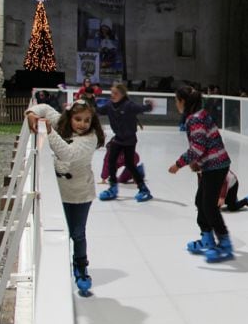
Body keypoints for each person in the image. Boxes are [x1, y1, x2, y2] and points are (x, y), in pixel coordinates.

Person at [25, 100, 105, 296]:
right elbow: (43, 107)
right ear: (69, 118)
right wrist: (31, 114)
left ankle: (80, 267)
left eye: (87, 120)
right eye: (78, 119)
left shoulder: (90, 138)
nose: (82, 124)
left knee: (77, 233)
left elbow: (67, 153)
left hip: (79, 194)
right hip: (58, 191)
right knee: (57, 233)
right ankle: (56, 266)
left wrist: (48, 131)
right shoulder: (62, 122)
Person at [169, 86, 235, 263]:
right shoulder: (200, 115)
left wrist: (178, 164)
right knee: (201, 202)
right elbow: (202, 146)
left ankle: (225, 243)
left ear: (183, 102)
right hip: (213, 165)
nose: (176, 104)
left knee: (209, 206)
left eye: (176, 100)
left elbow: (198, 147)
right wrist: (197, 163)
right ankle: (207, 239)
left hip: (215, 165)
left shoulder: (195, 119)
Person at [96, 83, 154, 202]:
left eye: (115, 93)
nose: (112, 95)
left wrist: (149, 106)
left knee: (130, 164)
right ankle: (113, 187)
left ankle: (143, 189)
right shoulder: (109, 105)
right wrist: (88, 106)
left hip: (129, 140)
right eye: (112, 93)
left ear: (122, 95)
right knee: (111, 161)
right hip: (118, 138)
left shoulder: (129, 106)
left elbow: (141, 108)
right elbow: (99, 111)